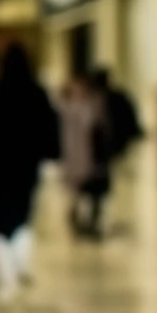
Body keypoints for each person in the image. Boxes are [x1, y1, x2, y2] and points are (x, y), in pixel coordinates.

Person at [0, 44, 60, 301]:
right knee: (23, 214)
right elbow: (50, 128)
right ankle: (20, 264)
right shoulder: (38, 93)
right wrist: (51, 157)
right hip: (27, 165)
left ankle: (6, 276)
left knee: (0, 220)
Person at [58, 72, 111, 239]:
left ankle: (84, 218)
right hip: (78, 154)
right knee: (79, 189)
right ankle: (78, 217)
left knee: (85, 189)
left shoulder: (91, 105)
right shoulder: (72, 106)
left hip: (86, 155)